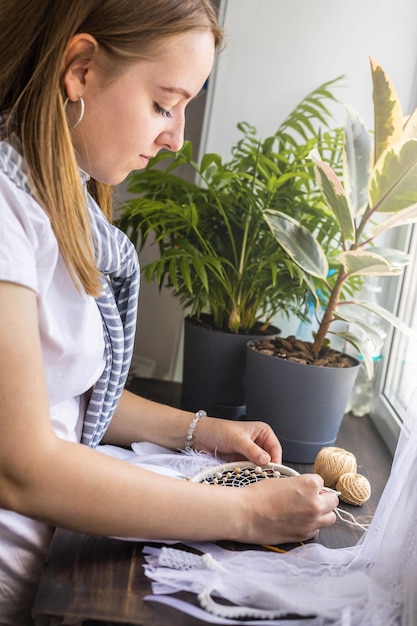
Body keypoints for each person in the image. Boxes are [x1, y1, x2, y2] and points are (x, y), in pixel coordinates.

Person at [0, 1, 338, 623]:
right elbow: (24, 467)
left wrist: (200, 431)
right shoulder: (5, 213)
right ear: (80, 69)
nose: (175, 137)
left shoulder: (58, 198)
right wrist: (249, 513)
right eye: (163, 104)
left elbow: (59, 390)